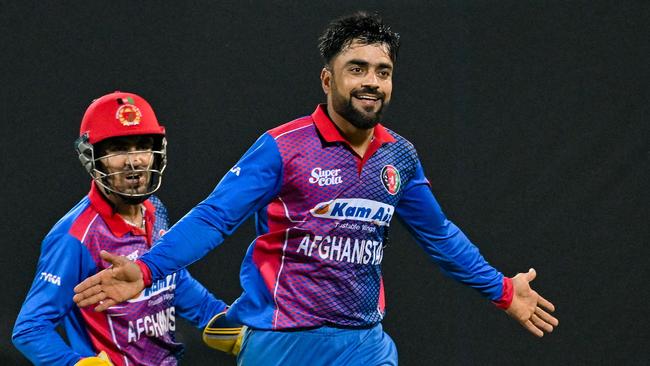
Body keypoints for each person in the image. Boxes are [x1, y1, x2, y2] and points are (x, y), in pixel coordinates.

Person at [73, 13, 559, 366]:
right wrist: (146, 269)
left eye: (382, 71)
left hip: (366, 345)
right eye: (357, 69)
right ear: (328, 78)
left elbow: (440, 235)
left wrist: (501, 290)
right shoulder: (283, 148)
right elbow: (215, 217)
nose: (371, 82)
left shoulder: (399, 157)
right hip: (285, 343)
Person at [13, 91, 242, 366]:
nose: (133, 162)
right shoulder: (74, 237)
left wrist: (221, 318)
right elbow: (30, 329)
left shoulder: (154, 210)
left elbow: (173, 281)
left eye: (142, 146)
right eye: (118, 148)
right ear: (92, 158)